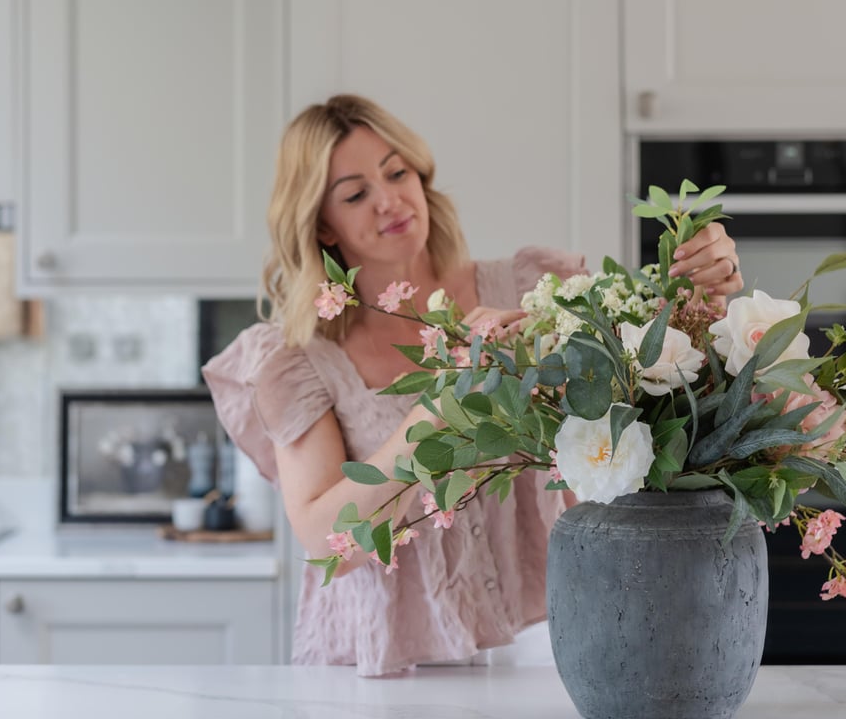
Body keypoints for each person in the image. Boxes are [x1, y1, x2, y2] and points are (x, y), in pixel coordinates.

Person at [202, 94, 743, 676]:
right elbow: (326, 542)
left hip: (548, 638)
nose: (390, 201)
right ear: (322, 225)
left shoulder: (532, 288)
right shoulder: (299, 359)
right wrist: (442, 403)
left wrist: (706, 296)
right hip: (383, 662)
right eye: (356, 194)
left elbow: (659, 395)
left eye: (397, 171)